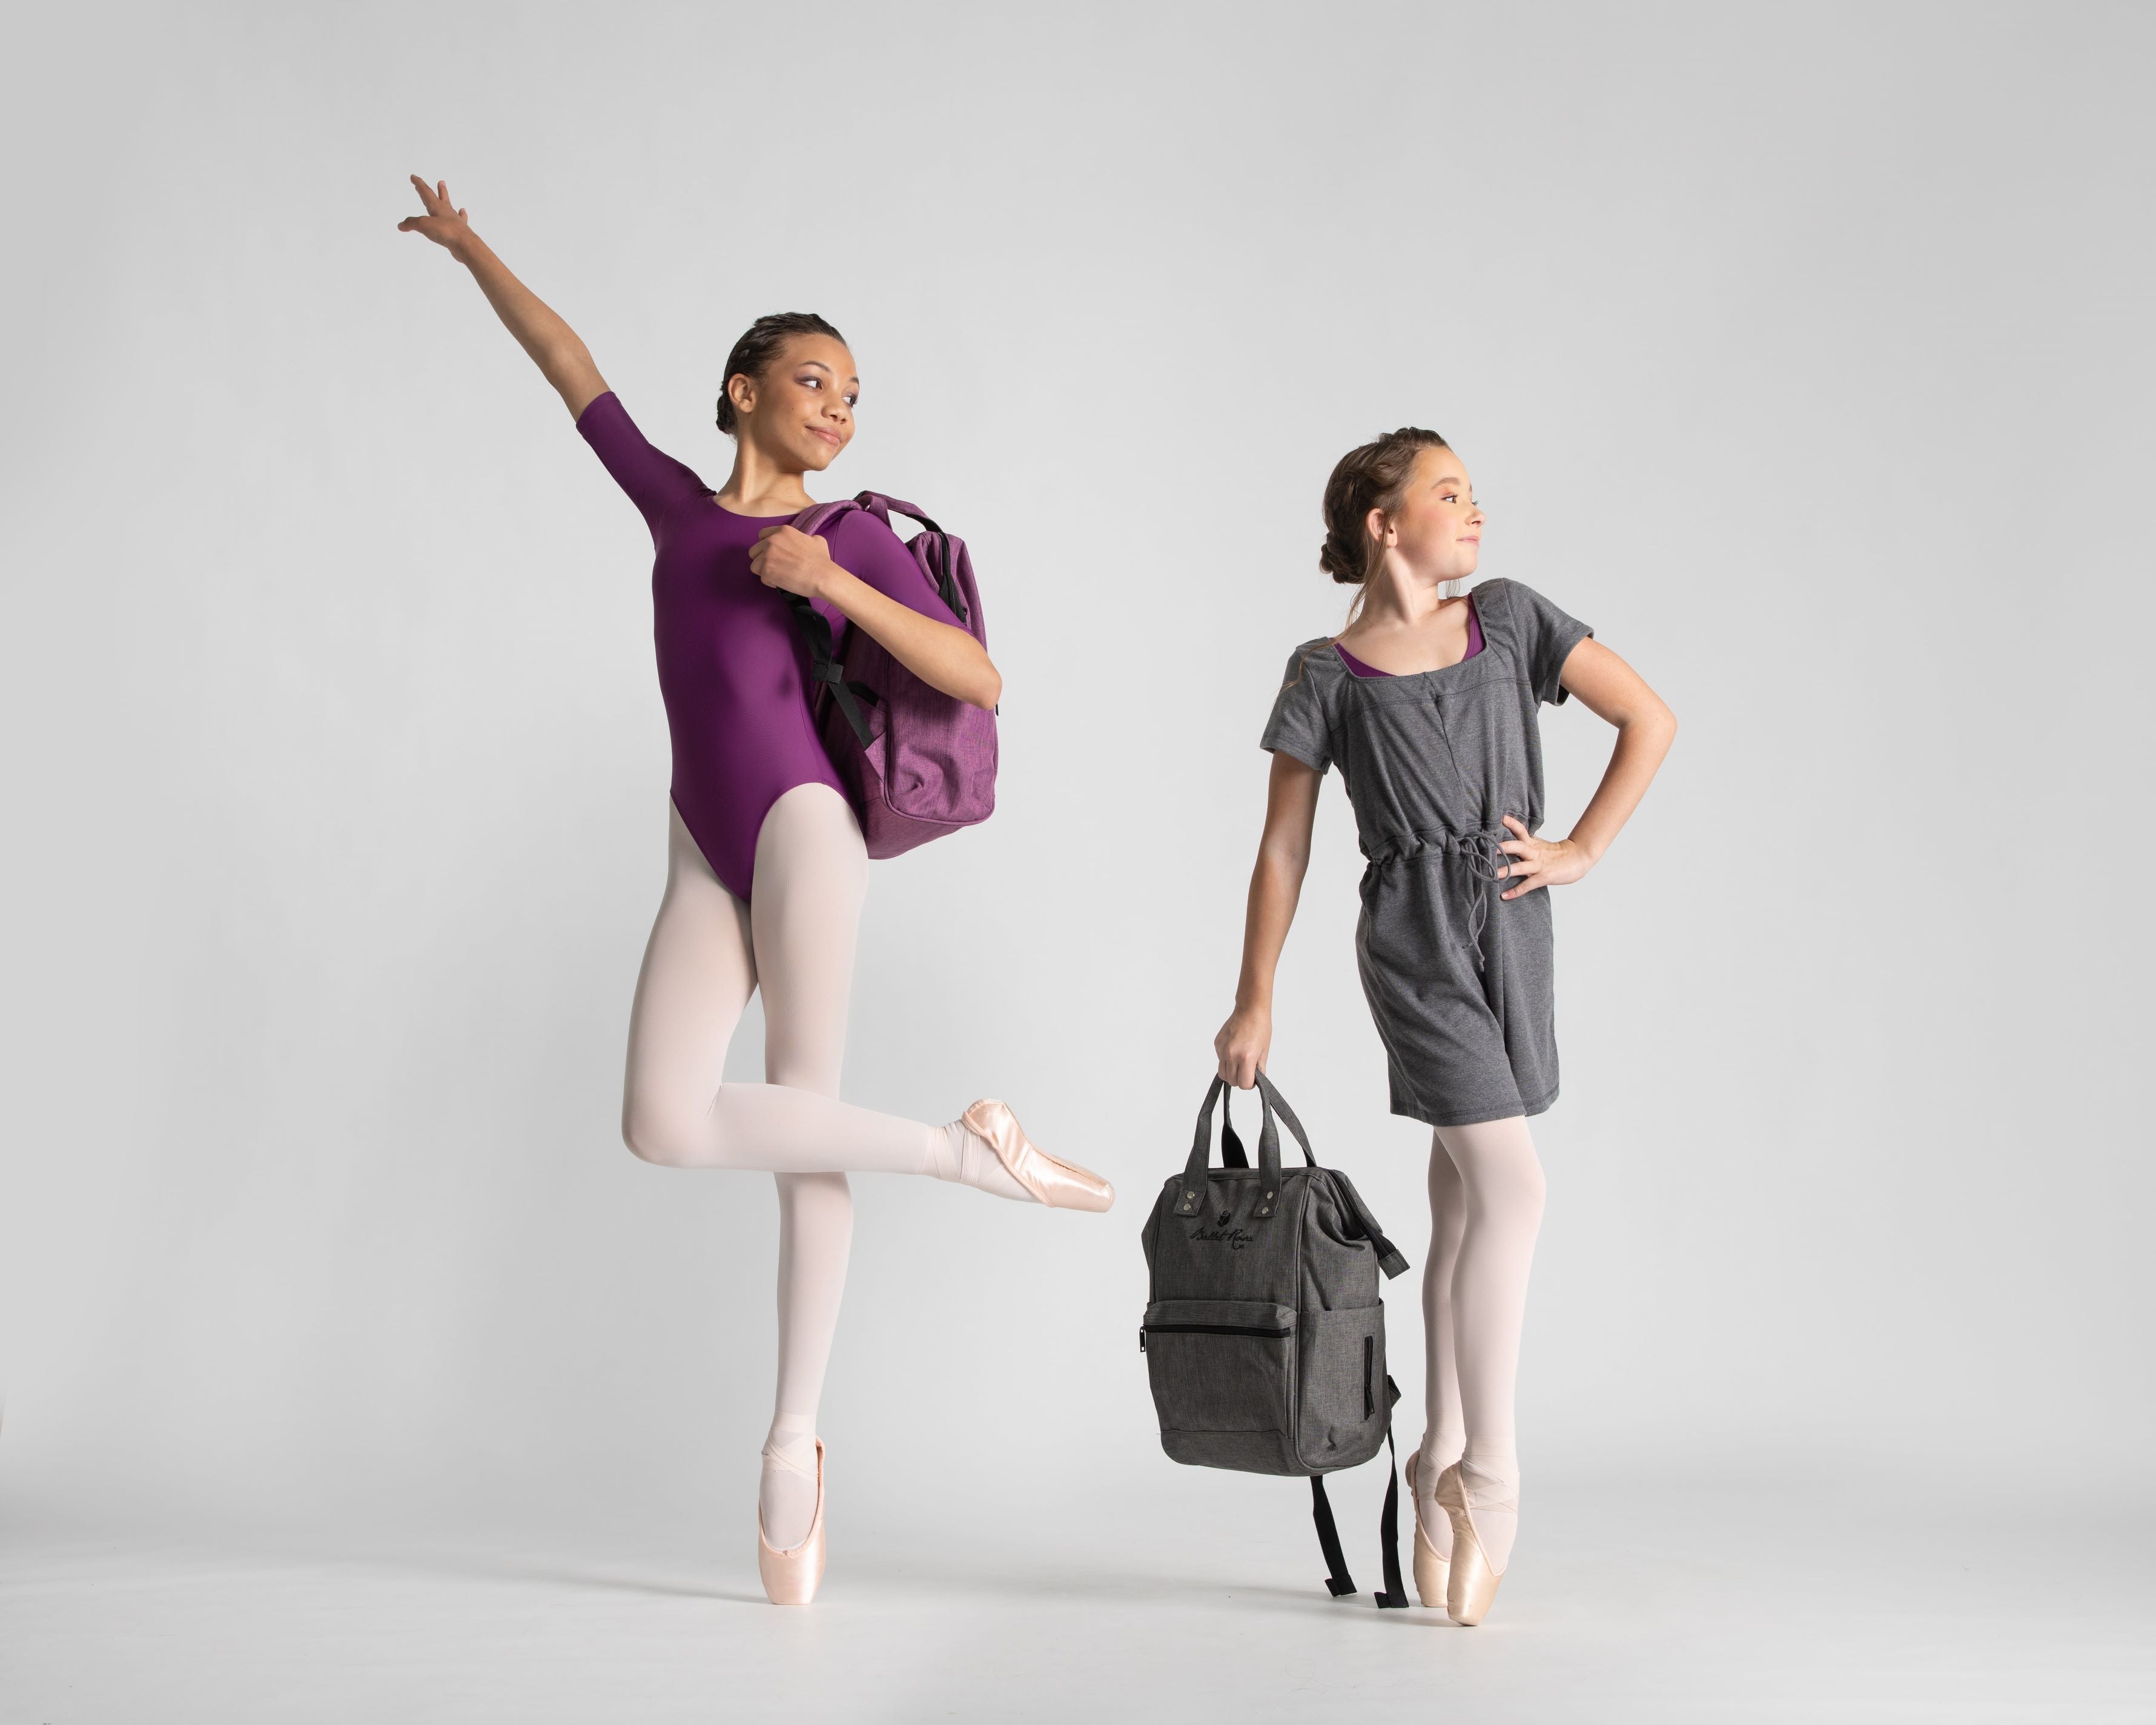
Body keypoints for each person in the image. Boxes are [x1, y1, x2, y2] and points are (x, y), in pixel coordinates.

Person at [398, 175, 1112, 1607]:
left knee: (799, 1118)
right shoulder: (675, 505)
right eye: (811, 381)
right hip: (698, 839)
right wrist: (475, 250)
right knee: (661, 1118)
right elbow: (571, 369)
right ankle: (964, 1150)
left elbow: (980, 677)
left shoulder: (847, 532)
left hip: (800, 824)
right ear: (742, 392)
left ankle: (793, 1441)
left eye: (851, 394)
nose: (837, 408)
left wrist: (831, 583)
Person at [1214, 427, 1674, 1625]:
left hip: (1513, 926)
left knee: (1465, 1202)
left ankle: (1433, 1458)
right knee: (1513, 1187)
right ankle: (1492, 1471)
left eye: (1473, 494)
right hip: (1412, 944)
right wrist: (1255, 994)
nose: (1474, 512)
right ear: (1384, 523)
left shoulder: (1509, 619)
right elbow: (1282, 847)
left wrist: (1580, 848)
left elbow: (1649, 717)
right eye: (1449, 493)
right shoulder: (1324, 671)